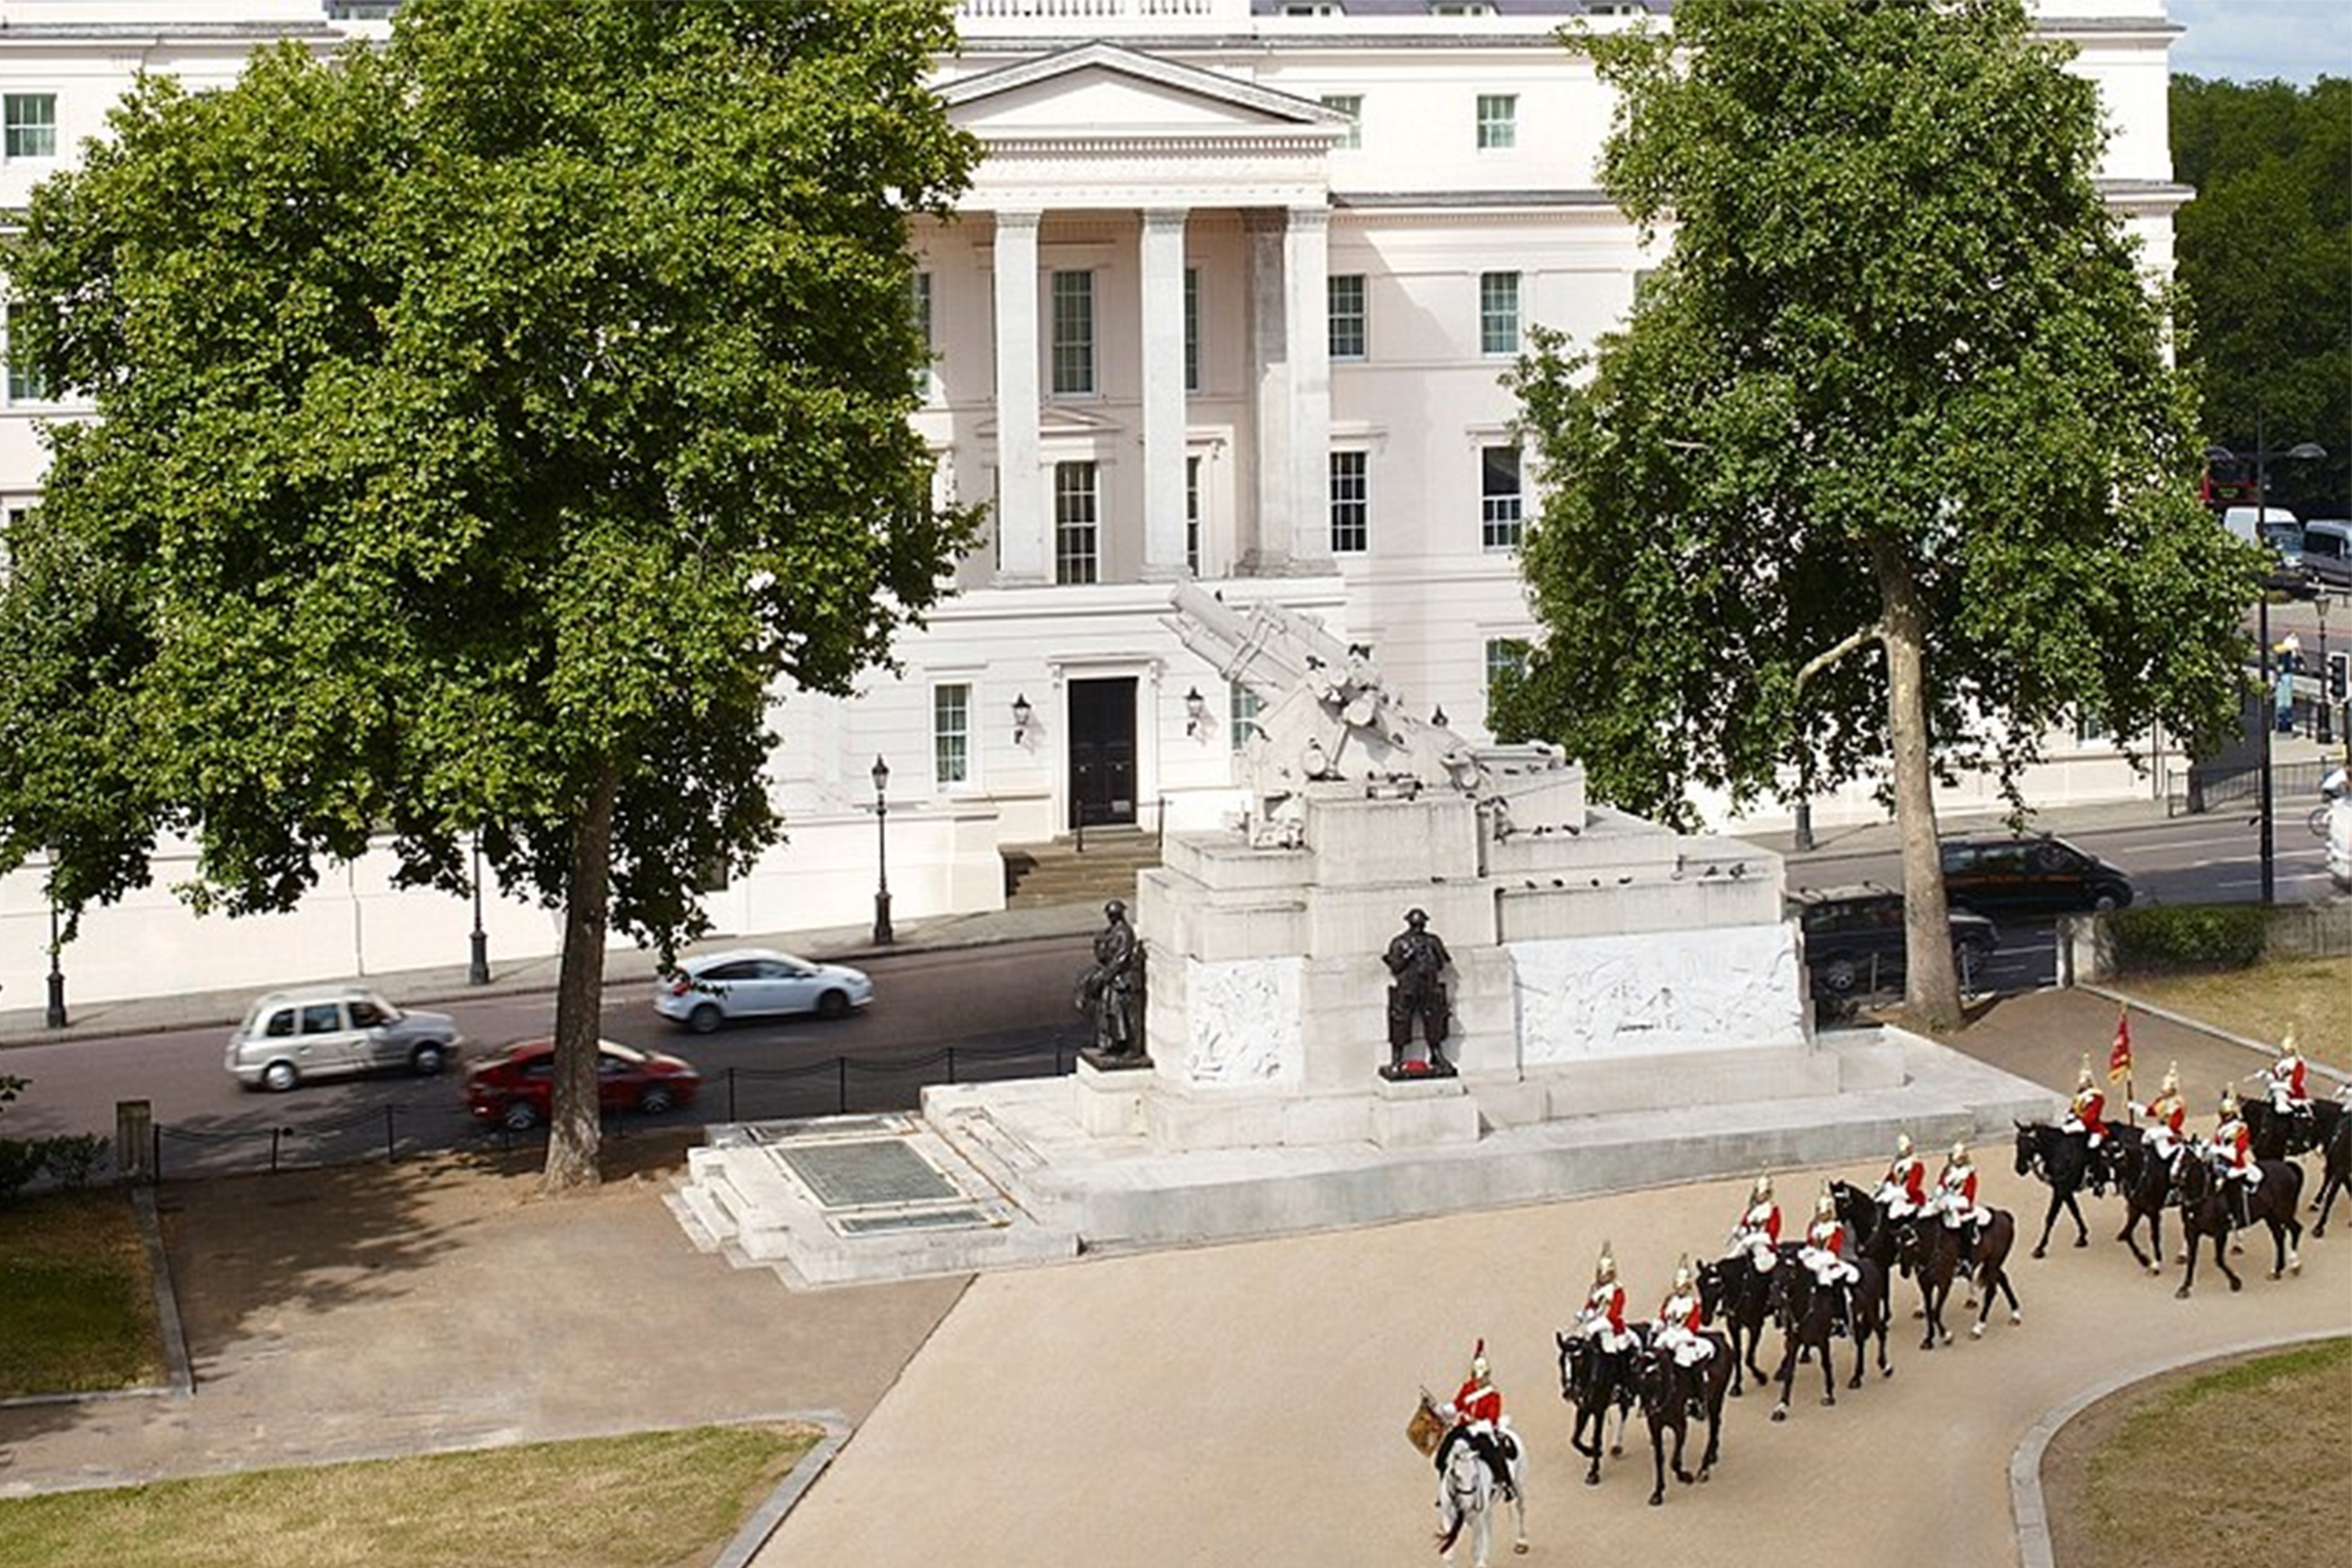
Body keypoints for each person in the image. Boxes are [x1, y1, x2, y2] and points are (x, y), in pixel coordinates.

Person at [1433, 1340, 1516, 1501]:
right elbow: (1457, 1405)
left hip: (1480, 1431)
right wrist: (1443, 1409)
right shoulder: (1467, 1388)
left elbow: (1491, 1421)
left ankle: (1506, 1484)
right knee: (1444, 1451)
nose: (1478, 1380)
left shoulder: (1493, 1395)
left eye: (1481, 1376)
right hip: (1463, 1428)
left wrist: (1476, 1426)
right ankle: (1445, 1486)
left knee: (1492, 1453)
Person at [1383, 908, 1454, 1075]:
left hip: (1429, 986)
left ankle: (1436, 1055)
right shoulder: (1400, 942)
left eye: (1421, 925)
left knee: (1434, 1022)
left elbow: (1442, 962)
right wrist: (1408, 956)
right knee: (1400, 1022)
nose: (1418, 928)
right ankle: (1396, 1058)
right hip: (1407, 988)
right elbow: (1395, 967)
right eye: (1415, 925)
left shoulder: (1433, 941)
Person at [1077, 899, 1145, 1059]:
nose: (1111, 918)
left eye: (1113, 915)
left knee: (1126, 1015)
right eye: (1110, 915)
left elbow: (1122, 958)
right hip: (1112, 978)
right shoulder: (1110, 932)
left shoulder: (1125, 932)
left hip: (1122, 980)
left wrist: (1106, 975)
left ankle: (1131, 1047)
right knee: (1108, 1012)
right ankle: (1113, 1044)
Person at [1653, 1255, 1716, 1417]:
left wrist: (1678, 1338)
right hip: (1668, 1334)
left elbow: (1692, 1327)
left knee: (1685, 1363)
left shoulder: (1693, 1304)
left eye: (1682, 1287)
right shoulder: (1670, 1301)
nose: (1679, 1289)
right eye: (1677, 1286)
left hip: (1684, 1338)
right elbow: (1663, 1316)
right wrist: (1659, 1324)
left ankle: (1696, 1398)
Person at [1798, 1189, 1861, 1334]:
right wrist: (1809, 1252)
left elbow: (1834, 1248)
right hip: (1815, 1258)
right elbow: (1809, 1242)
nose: (1823, 1216)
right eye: (1821, 1213)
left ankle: (1840, 1317)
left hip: (1829, 1260)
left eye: (1825, 1213)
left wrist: (1821, 1255)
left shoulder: (1836, 1228)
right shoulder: (1814, 1227)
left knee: (1831, 1284)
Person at [2210, 1088, 2261, 1228]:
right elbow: (2217, 1142)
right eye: (2222, 1115)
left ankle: (2235, 1215)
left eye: (2226, 1115)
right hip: (2221, 1160)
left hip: (2236, 1165)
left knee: (2232, 1185)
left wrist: (2218, 1149)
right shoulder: (2222, 1127)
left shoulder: (2241, 1128)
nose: (2223, 1117)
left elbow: (2238, 1150)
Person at [1576, 1244, 1639, 1356]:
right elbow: (1592, 1304)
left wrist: (1605, 1318)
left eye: (1605, 1274)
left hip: (1610, 1320)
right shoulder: (1595, 1288)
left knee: (1593, 1331)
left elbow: (1615, 1310)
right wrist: (1587, 1313)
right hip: (1596, 1318)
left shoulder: (1616, 1289)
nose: (1602, 1277)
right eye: (1600, 1273)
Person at [1929, 1140, 1988, 1253]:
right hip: (1946, 1198)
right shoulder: (1948, 1171)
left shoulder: (1969, 1174)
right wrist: (1938, 1193)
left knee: (1959, 1223)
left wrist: (1954, 1202)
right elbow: (1942, 1184)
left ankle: (1964, 1256)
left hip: (1961, 1202)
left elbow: (1969, 1195)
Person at [2134, 1062, 2189, 1176]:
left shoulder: (2178, 1104)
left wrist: (2159, 1133)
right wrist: (2135, 1106)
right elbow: (2150, 1112)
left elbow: (2174, 1126)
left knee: (2158, 1142)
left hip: (2170, 1134)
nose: (2163, 1092)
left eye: (2166, 1090)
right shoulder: (2162, 1101)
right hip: (2160, 1129)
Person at [1726, 1173, 1781, 1274]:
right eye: (1758, 1193)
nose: (1759, 1196)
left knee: (1753, 1245)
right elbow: (1745, 1223)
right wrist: (1740, 1230)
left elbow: (1772, 1232)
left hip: (1764, 1238)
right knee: (1744, 1241)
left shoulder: (1772, 1209)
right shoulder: (1753, 1209)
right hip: (1751, 1235)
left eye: (1762, 1194)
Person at [1873, 1131, 1927, 1224]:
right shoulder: (1897, 1162)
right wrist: (1882, 1186)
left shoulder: (1916, 1164)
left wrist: (1896, 1192)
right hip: (1895, 1191)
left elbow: (1912, 1187)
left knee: (1894, 1210)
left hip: (1907, 1196)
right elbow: (1891, 1177)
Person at [2266, 1031, 2310, 1118]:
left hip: (2292, 1091)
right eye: (2283, 1051)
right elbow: (2275, 1074)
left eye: (2288, 1051)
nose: (2285, 1053)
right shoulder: (2279, 1062)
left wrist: (2281, 1085)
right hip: (2277, 1090)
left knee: (2279, 1091)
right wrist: (2268, 1076)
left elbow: (2297, 1081)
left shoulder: (2298, 1063)